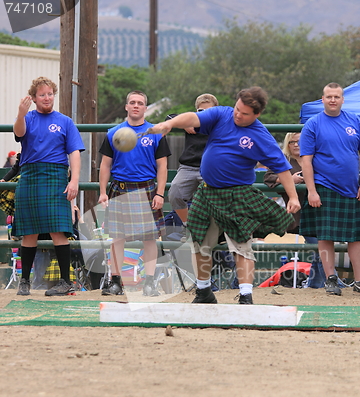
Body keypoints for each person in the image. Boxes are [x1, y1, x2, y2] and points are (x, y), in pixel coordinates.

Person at [151, 86, 300, 305]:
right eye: (237, 109)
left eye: (244, 113)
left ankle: (246, 294)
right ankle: (204, 292)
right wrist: (169, 124)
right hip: (207, 191)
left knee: (241, 246)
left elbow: (282, 168)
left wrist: (294, 197)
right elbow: (194, 117)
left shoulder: (261, 136)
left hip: (236, 195)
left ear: (256, 115)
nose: (238, 115)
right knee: (199, 242)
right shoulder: (222, 114)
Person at [299, 82, 360, 297]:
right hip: (324, 186)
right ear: (322, 99)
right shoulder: (313, 124)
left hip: (352, 188)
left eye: (337, 96)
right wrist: (311, 190)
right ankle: (330, 279)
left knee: (356, 237)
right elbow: (306, 160)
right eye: (329, 96)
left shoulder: (354, 121)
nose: (333, 100)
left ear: (343, 99)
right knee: (325, 235)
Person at [12, 76, 84, 297]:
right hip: (30, 175)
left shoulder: (65, 121)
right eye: (42, 94)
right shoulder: (28, 118)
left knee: (59, 231)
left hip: (56, 176)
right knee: (29, 232)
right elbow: (19, 133)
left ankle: (66, 282)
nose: (47, 98)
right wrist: (21, 114)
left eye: (50, 94)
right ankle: (24, 282)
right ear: (34, 98)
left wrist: (74, 181)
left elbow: (74, 153)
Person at [98, 90, 171, 296]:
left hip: (147, 188)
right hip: (120, 188)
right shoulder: (114, 133)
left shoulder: (156, 132)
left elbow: (162, 167)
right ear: (126, 107)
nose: (136, 105)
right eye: (132, 102)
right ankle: (115, 282)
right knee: (117, 237)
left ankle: (149, 283)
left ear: (145, 108)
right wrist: (103, 192)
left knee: (150, 238)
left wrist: (160, 193)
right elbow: (105, 165)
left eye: (140, 103)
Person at [263, 132, 326, 288]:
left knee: (321, 248)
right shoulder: (283, 160)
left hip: (319, 209)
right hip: (299, 214)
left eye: (300, 141)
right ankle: (329, 280)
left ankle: (314, 283)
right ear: (287, 144)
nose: (296, 144)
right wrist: (290, 180)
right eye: (292, 142)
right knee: (319, 247)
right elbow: (268, 178)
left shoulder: (314, 158)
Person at [167, 93, 219, 228]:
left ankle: (215, 228)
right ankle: (187, 223)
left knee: (217, 198)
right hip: (188, 167)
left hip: (210, 168)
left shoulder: (220, 125)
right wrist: (184, 124)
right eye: (201, 111)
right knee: (174, 192)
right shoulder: (191, 121)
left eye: (209, 111)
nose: (204, 115)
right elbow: (169, 118)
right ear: (196, 111)